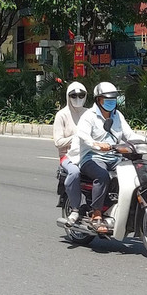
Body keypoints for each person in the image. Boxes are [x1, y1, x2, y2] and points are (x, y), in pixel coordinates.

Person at [73, 81, 140, 234]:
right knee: (102, 175)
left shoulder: (117, 115)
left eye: (113, 99)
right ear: (98, 100)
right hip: (91, 157)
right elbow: (82, 134)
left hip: (114, 157)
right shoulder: (88, 116)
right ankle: (96, 215)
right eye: (107, 99)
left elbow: (129, 135)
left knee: (134, 173)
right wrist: (95, 144)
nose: (111, 102)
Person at [53, 81, 88, 224]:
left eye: (81, 95)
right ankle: (74, 209)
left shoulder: (89, 113)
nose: (78, 98)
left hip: (87, 153)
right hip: (67, 156)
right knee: (74, 172)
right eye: (74, 95)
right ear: (68, 96)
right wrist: (77, 138)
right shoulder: (62, 115)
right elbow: (58, 142)